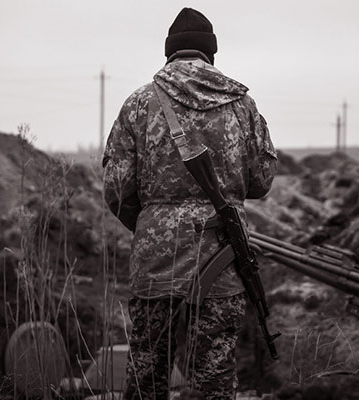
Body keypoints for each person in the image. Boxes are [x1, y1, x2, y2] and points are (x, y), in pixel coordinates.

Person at [102, 7, 277, 400]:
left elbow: (116, 188)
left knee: (148, 371)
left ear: (170, 53)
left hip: (155, 260)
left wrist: (153, 223)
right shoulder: (242, 104)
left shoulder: (138, 104)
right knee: (214, 376)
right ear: (210, 53)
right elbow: (262, 181)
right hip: (223, 258)